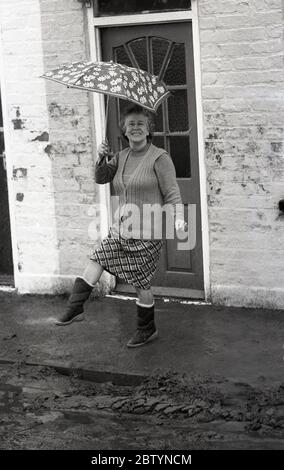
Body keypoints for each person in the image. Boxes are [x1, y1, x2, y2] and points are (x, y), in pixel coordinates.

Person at [55, 104, 187, 347]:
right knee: (98, 257)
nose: (135, 128)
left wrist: (179, 217)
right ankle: (75, 308)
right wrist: (101, 156)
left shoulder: (159, 158)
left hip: (149, 233)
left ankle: (147, 329)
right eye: (131, 124)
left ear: (149, 130)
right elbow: (101, 178)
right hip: (121, 229)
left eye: (140, 124)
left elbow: (172, 193)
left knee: (140, 282)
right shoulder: (122, 157)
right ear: (124, 130)